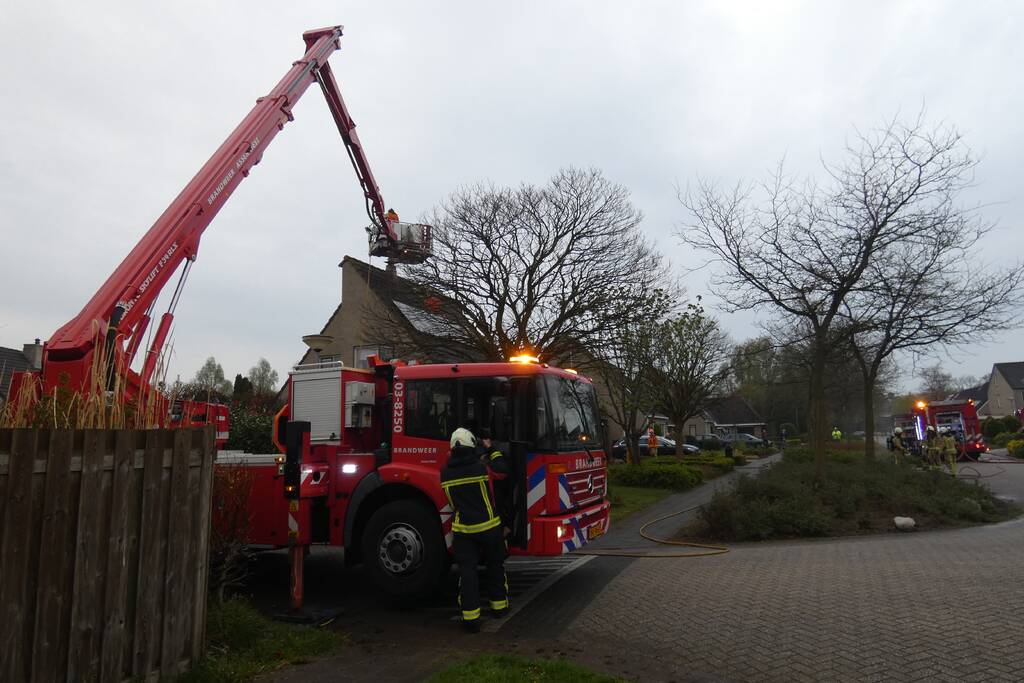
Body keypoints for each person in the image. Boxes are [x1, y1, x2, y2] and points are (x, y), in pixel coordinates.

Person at [441, 428, 509, 632]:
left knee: (468, 572)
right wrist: (492, 449)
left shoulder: (445, 472)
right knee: (495, 567)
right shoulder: (482, 467)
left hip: (463, 531)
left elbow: (452, 503)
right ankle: (500, 608)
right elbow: (503, 470)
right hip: (489, 527)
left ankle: (470, 619)